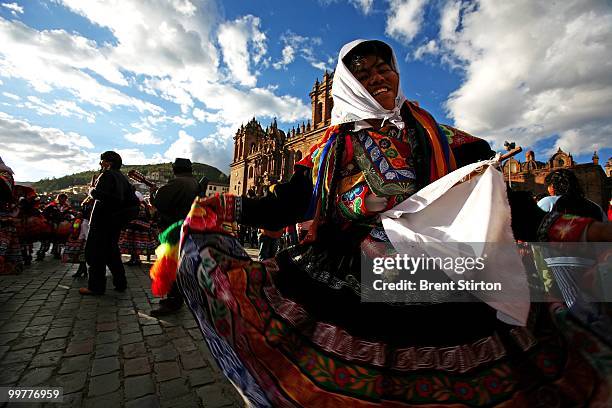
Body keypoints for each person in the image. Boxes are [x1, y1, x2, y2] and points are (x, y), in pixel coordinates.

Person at [154, 40, 612, 406]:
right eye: (363, 73)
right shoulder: (328, 148)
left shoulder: (439, 135)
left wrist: (572, 231)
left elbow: (494, 196)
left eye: (384, 67)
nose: (378, 78)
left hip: (437, 277)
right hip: (355, 278)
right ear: (346, 88)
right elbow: (285, 205)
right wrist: (225, 209)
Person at [80, 151, 138, 295]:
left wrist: (91, 190)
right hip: (114, 223)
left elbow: (104, 196)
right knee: (112, 253)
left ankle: (96, 287)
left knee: (95, 254)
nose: (100, 164)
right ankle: (120, 282)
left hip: (102, 221)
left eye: (102, 161)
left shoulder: (107, 175)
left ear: (108, 163)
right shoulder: (123, 179)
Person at [149, 158, 200, 316]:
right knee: (178, 265)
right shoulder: (194, 183)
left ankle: (173, 301)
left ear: (175, 169)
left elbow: (159, 202)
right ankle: (177, 298)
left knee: (171, 266)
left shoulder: (178, 183)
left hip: (174, 228)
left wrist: (153, 194)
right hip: (186, 228)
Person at [537, 168, 607, 221]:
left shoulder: (548, 202)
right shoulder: (596, 207)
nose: (548, 190)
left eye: (548, 186)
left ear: (553, 185)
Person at [118, 191, 158, 266]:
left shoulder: (140, 206)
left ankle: (135, 259)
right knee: (134, 244)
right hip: (138, 227)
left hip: (138, 227)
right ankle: (134, 259)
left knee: (135, 244)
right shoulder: (141, 205)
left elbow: (139, 216)